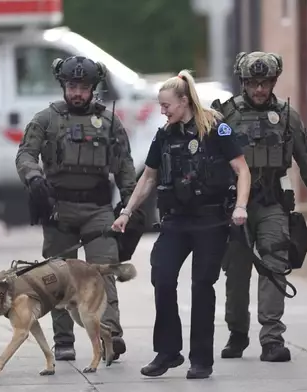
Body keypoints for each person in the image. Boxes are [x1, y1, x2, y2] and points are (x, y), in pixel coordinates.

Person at [111, 70, 251, 379]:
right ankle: (167, 352)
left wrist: (240, 207)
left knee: (202, 286)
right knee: (162, 278)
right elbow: (148, 176)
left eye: (166, 105)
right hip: (175, 220)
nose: (162, 111)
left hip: (211, 220)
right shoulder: (165, 135)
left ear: (184, 101)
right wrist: (126, 211)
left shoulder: (217, 129)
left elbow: (242, 170)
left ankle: (201, 359)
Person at [212, 51, 307, 363]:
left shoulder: (287, 117)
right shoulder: (224, 115)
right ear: (243, 82)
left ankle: (271, 338)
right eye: (253, 83)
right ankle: (237, 332)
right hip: (234, 204)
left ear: (274, 82)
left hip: (271, 202)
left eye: (265, 82)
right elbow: (208, 161)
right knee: (237, 271)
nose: (259, 90)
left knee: (274, 262)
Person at [15, 55, 137, 362]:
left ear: (94, 87)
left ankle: (111, 335)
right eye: (72, 86)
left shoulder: (109, 121)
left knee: (104, 271)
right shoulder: (46, 119)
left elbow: (124, 165)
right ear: (63, 86)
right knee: (56, 277)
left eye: (84, 87)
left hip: (98, 209)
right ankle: (64, 340)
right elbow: (25, 155)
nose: (77, 93)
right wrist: (33, 179)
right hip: (59, 208)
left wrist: (130, 202)